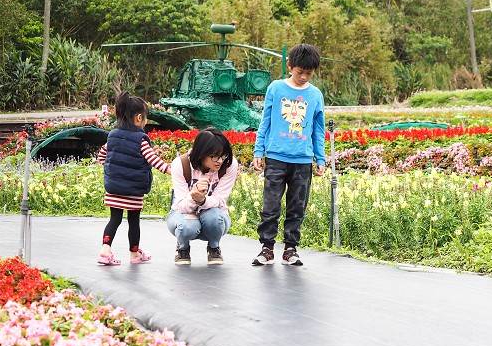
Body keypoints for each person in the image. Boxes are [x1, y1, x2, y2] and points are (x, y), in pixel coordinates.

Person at [251, 43, 326, 266]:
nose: (303, 77)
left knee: (297, 207)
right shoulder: (275, 88)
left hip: (302, 160)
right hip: (275, 157)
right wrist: (259, 150)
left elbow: (318, 129)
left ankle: (291, 249)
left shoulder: (315, 95)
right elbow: (266, 120)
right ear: (289, 66)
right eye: (299, 71)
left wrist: (320, 158)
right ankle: (267, 248)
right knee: (270, 205)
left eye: (308, 73)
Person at [97, 91, 171, 265]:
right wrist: (169, 169)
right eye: (145, 118)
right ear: (139, 118)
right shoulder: (140, 140)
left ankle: (105, 250)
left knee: (114, 220)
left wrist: (112, 168)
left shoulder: (112, 136)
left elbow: (102, 156)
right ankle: (134, 253)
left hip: (114, 189)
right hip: (132, 192)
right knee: (133, 222)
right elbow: (152, 159)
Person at [167, 128, 237, 265]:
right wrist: (193, 197)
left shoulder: (229, 165)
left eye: (223, 156)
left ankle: (214, 247)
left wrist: (202, 200)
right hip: (183, 213)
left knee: (215, 218)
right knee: (188, 226)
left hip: (213, 214)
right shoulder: (181, 165)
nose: (220, 161)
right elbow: (181, 204)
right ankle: (183, 248)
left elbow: (220, 200)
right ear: (201, 153)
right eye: (215, 157)